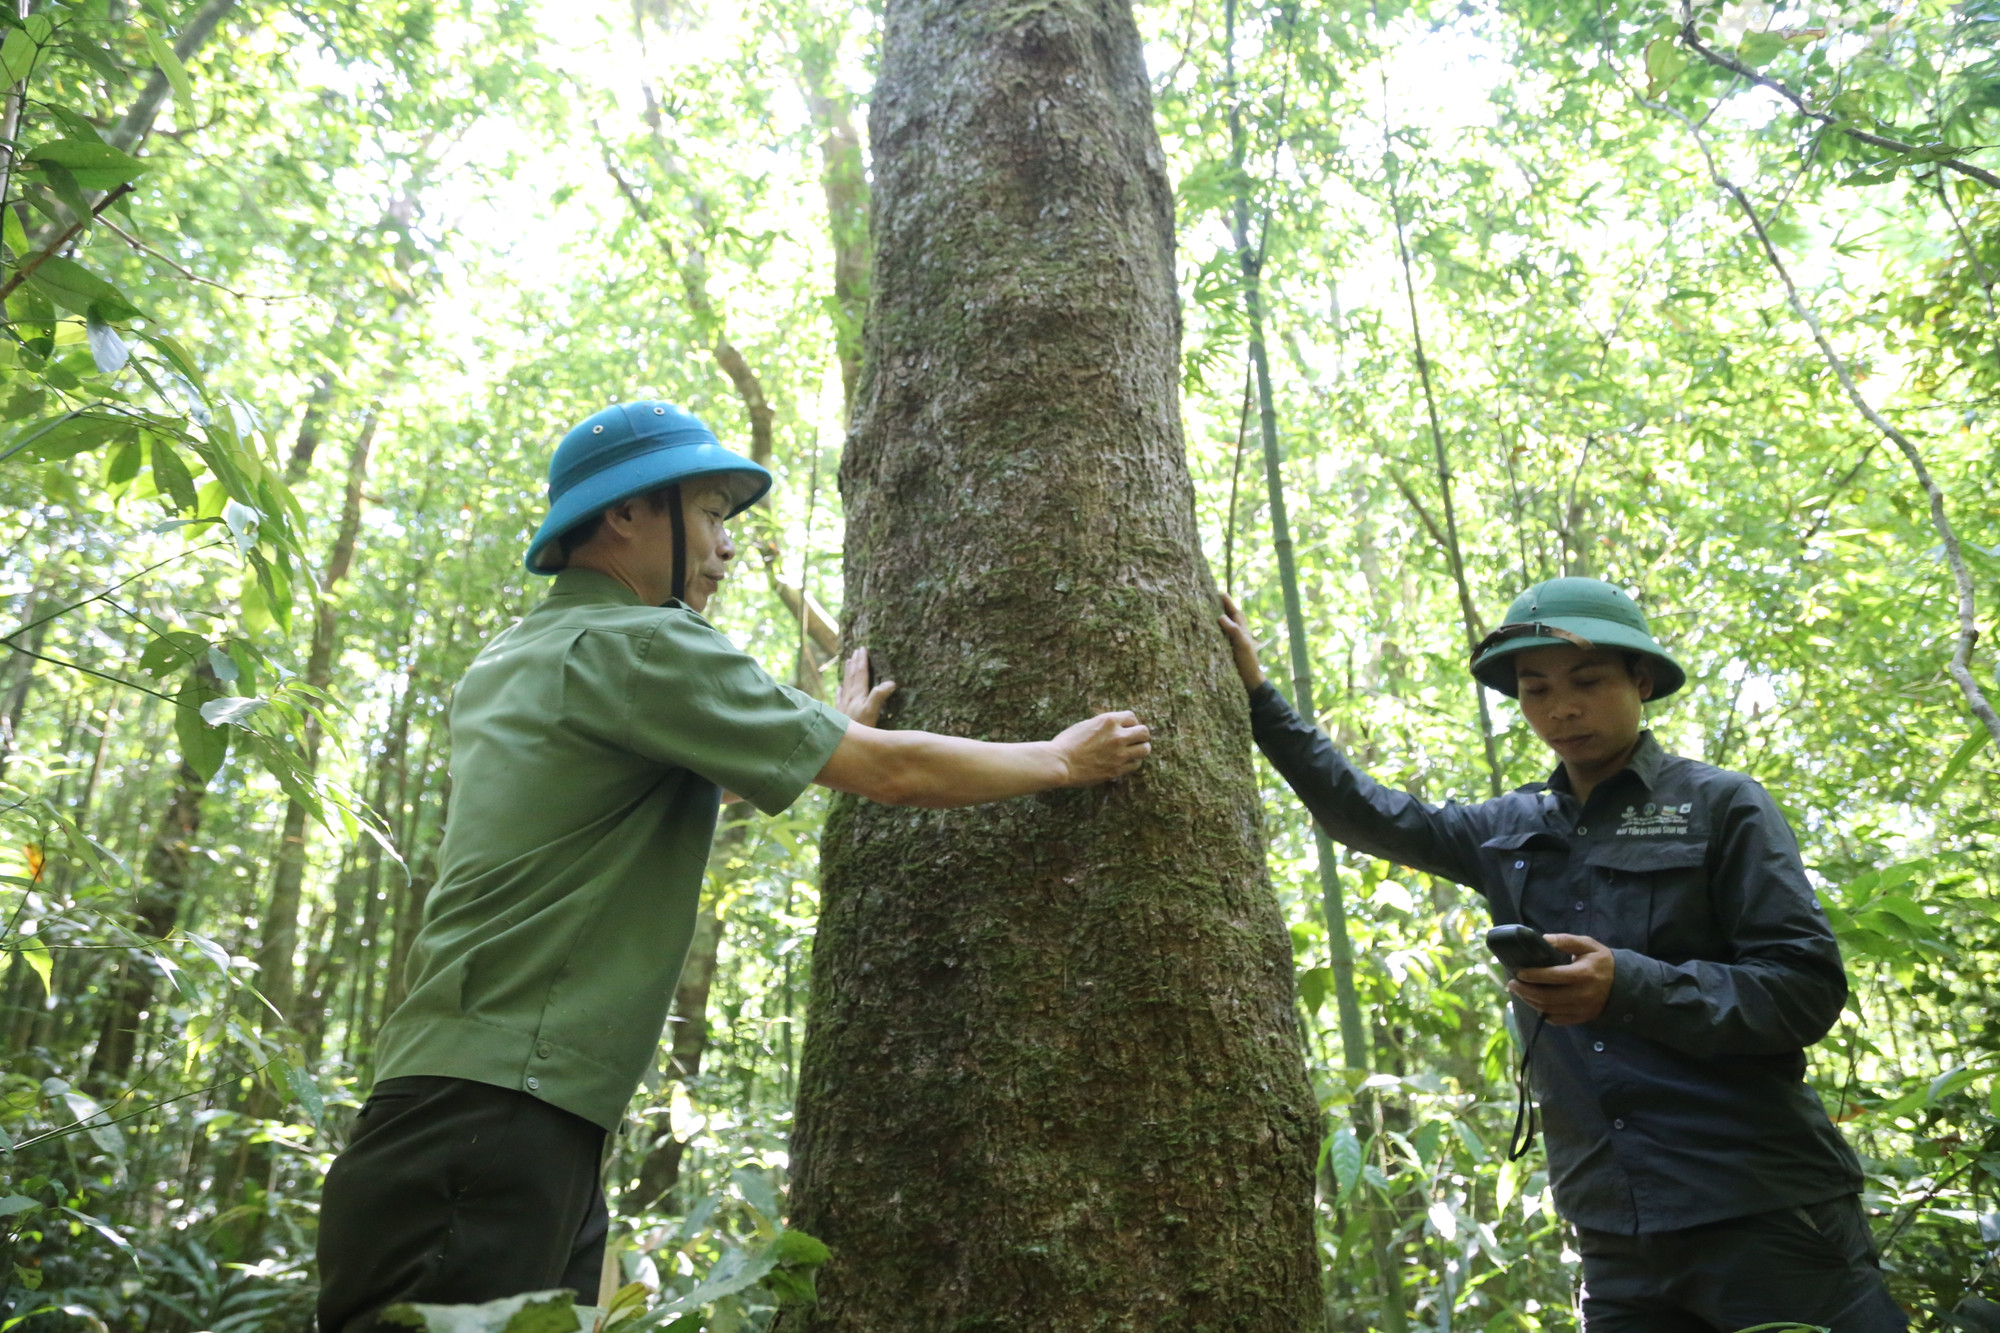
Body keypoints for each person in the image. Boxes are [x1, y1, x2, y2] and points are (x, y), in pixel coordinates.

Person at [315, 401, 1151, 1332]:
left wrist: (821, 732)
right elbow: (895, 775)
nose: (725, 545)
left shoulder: (518, 656)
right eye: (710, 513)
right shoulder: (643, 643)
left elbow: (628, 798)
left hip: (472, 1107)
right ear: (625, 514)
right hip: (498, 1121)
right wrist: (1059, 759)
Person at [1218, 578, 1904, 1331]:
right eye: (1535, 689)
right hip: (1613, 1230)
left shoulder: (1721, 805)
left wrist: (1628, 984)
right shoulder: (1509, 828)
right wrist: (1256, 695)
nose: (1562, 709)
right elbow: (1365, 813)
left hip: (1762, 1209)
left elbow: (1804, 988)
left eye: (1587, 681)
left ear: (1641, 681)